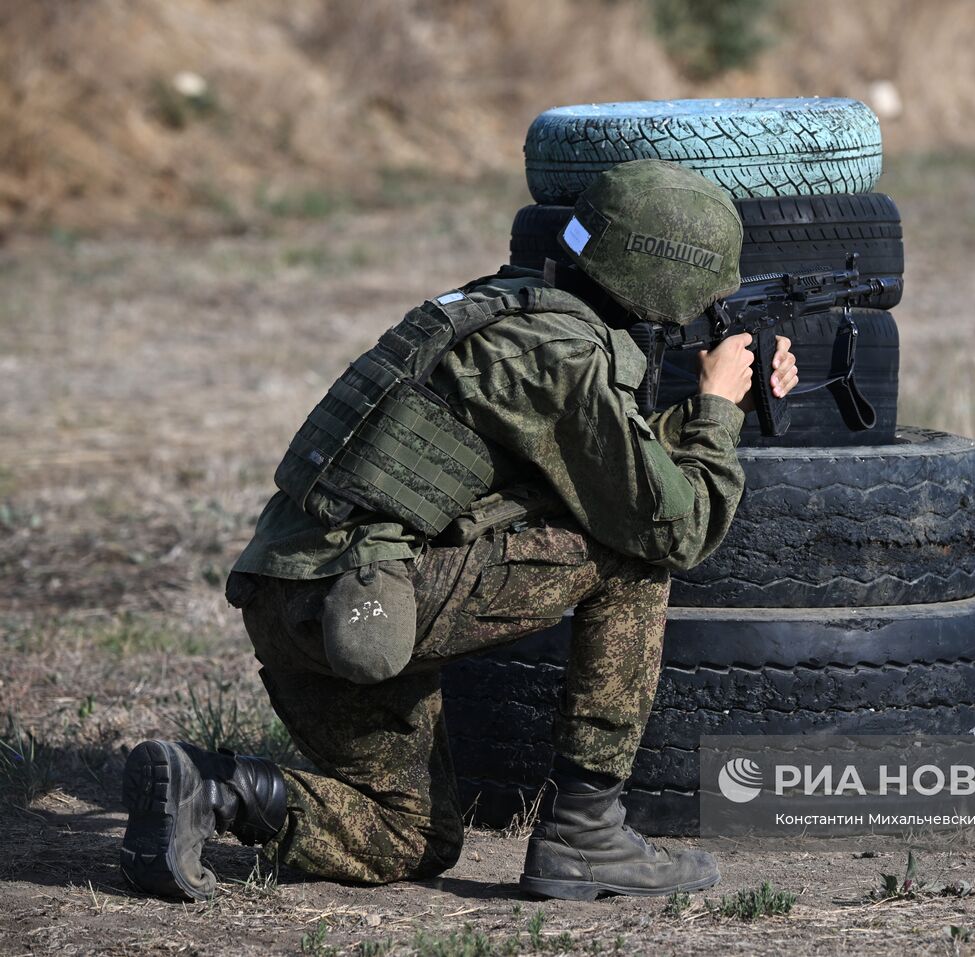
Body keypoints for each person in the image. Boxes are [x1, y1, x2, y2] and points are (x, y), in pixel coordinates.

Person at [119, 159, 798, 903]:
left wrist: (712, 410)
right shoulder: (561, 355)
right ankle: (586, 829)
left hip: (295, 594)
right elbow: (674, 526)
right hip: (367, 601)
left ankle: (214, 791)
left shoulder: (505, 312)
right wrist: (716, 413)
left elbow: (585, 461)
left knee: (411, 837)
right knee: (631, 556)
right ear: (666, 279)